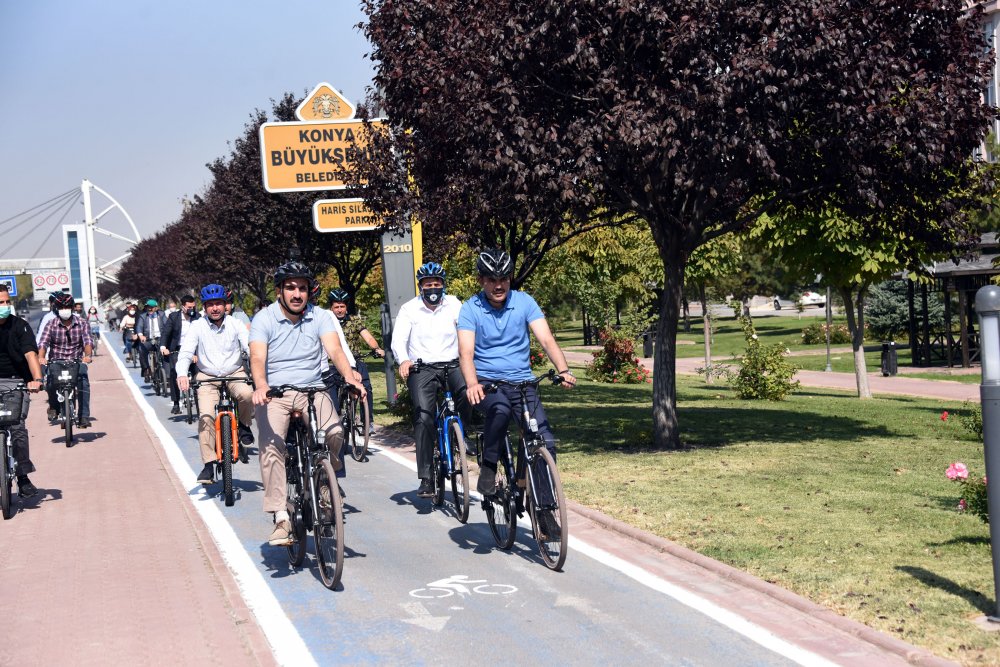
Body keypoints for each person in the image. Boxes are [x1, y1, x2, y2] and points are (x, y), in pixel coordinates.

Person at [457, 248, 576, 536]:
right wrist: (472, 383)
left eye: (504, 279)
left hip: (523, 382)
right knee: (500, 410)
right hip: (488, 383)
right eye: (492, 279)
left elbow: (546, 339)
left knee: (543, 440)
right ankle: (489, 466)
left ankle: (544, 512)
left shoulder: (524, 302)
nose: (498, 285)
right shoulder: (470, 308)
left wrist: (563, 369)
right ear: (481, 280)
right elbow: (466, 352)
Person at [249, 261, 363, 546]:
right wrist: (261, 386)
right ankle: (280, 517)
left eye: (302, 288)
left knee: (335, 432)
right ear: (279, 291)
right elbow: (257, 357)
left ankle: (325, 480)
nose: (297, 294)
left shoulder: (321, 316)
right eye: (291, 288)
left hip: (313, 388)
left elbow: (335, 350)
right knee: (271, 447)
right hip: (275, 393)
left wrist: (350, 377)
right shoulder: (264, 318)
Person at [391, 262, 469, 498]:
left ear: (443, 285)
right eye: (428, 284)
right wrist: (404, 360)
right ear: (420, 286)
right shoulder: (409, 309)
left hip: (453, 364)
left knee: (468, 392)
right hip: (422, 368)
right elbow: (398, 340)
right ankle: (426, 477)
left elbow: (466, 330)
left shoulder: (454, 304)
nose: (432, 288)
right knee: (424, 417)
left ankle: (461, 437)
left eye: (436, 283)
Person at [176, 285, 256, 485]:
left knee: (247, 394)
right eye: (210, 304)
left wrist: (257, 366)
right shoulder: (197, 326)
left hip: (234, 372)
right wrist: (182, 374)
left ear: (225, 305)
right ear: (204, 307)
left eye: (218, 303)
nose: (215, 308)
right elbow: (186, 352)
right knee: (206, 417)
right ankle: (208, 465)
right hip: (207, 376)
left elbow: (249, 346)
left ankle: (244, 425)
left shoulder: (236, 324)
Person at [0, 284, 44, 497]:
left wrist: (36, 379)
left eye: (7, 301)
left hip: (16, 382)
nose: (5, 306)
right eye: (0, 302)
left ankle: (23, 477)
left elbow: (30, 354)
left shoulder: (20, 326)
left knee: (17, 427)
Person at [327, 288, 383, 435]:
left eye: (342, 306)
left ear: (346, 307)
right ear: (331, 307)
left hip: (355, 360)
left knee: (366, 386)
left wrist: (376, 348)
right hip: (334, 362)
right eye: (336, 307)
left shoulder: (354, 321)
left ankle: (367, 422)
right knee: (330, 387)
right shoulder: (326, 322)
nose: (339, 310)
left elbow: (368, 337)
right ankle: (334, 417)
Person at [38, 292, 94, 429]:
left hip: (77, 361)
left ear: (73, 308)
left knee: (83, 382)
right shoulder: (51, 324)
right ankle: (54, 406)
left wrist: (87, 356)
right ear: (57, 308)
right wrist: (41, 357)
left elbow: (88, 341)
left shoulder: (82, 323)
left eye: (67, 307)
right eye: (62, 307)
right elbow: (43, 343)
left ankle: (83, 416)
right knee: (50, 383)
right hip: (56, 361)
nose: (65, 310)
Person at [161, 294, 201, 414]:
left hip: (194, 350)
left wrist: (196, 352)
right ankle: (176, 403)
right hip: (177, 349)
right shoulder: (174, 317)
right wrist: (163, 347)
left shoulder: (198, 317)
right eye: (189, 307)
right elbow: (166, 333)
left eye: (193, 307)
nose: (192, 310)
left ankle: (199, 402)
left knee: (198, 373)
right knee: (174, 372)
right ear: (183, 307)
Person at [135, 299, 166, 382]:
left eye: (151, 307)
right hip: (148, 339)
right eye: (148, 307)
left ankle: (164, 372)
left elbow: (167, 326)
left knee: (165, 353)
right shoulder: (143, 316)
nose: (149, 309)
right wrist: (141, 335)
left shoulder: (161, 315)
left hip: (160, 339)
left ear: (156, 308)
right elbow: (139, 327)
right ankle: (146, 370)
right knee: (142, 350)